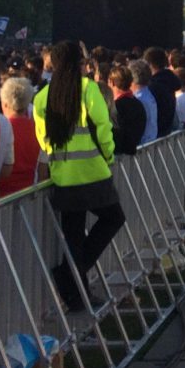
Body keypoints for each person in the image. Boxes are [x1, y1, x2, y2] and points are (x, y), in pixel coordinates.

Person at [35, 41, 125, 310]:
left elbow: (44, 139)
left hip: (63, 176)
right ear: (79, 63)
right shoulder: (88, 90)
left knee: (73, 235)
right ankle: (70, 277)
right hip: (93, 172)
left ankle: (75, 293)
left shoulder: (42, 96)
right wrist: (108, 156)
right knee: (113, 218)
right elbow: (103, 126)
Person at [0, 76, 40, 196]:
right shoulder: (38, 129)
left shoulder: (0, 128)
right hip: (30, 194)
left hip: (1, 198)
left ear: (5, 104)